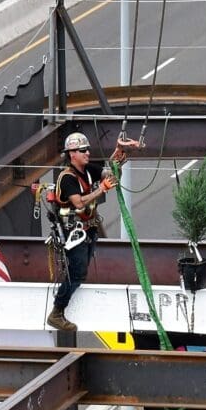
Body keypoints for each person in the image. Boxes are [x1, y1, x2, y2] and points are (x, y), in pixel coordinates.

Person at [44, 130, 138, 335]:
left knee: (81, 271)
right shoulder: (67, 178)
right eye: (83, 150)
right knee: (76, 272)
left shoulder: (87, 170)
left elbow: (110, 174)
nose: (87, 153)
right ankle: (57, 312)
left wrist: (119, 154)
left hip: (87, 230)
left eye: (87, 149)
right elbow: (78, 201)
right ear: (72, 154)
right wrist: (100, 190)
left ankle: (59, 308)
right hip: (72, 233)